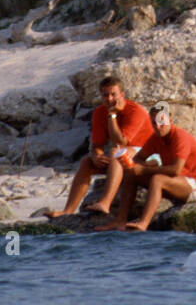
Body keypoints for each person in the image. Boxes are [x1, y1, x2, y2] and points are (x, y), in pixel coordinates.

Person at [43, 75, 153, 219]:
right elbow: (97, 144)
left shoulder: (135, 111)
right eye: (105, 95)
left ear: (122, 95)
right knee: (86, 162)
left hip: (146, 155)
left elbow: (121, 142)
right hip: (124, 156)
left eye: (113, 94)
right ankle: (68, 211)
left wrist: (112, 116)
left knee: (116, 151)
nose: (110, 99)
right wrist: (97, 155)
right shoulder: (100, 112)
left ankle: (105, 203)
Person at [112, 101, 196, 232]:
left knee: (157, 179)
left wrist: (145, 169)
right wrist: (141, 165)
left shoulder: (180, 137)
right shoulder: (156, 138)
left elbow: (176, 170)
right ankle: (120, 221)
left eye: (162, 121)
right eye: (154, 123)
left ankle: (143, 223)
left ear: (170, 120)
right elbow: (138, 158)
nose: (158, 126)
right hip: (178, 183)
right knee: (132, 174)